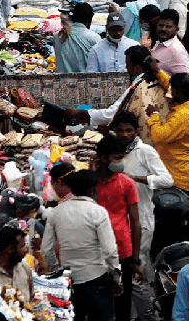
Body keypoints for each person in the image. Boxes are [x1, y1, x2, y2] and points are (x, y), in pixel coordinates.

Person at [108, 110, 171, 306]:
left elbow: (167, 180)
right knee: (136, 264)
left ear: (136, 131)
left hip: (142, 218)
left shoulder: (145, 152)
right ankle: (151, 304)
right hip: (121, 220)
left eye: (129, 130)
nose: (125, 134)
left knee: (137, 262)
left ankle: (144, 311)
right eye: (120, 130)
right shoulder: (115, 151)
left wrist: (135, 180)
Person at [42, 169, 122, 321]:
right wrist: (116, 278)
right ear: (92, 189)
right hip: (96, 278)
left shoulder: (55, 213)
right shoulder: (98, 212)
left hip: (68, 280)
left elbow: (46, 250)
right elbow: (110, 251)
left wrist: (56, 273)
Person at [91, 136, 142, 321]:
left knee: (122, 304)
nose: (121, 162)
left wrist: (136, 259)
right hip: (95, 252)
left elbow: (136, 222)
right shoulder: (90, 184)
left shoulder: (127, 184)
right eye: (117, 158)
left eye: (122, 157)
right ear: (103, 158)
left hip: (123, 251)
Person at [146, 72, 189, 194]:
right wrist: (157, 72)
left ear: (178, 92)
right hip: (184, 174)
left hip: (178, 180)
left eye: (172, 89)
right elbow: (171, 84)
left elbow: (159, 137)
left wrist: (154, 115)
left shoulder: (182, 116)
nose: (170, 91)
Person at [56, 2, 102, 73]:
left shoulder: (57, 36)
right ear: (89, 19)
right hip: (84, 82)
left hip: (60, 82)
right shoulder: (94, 38)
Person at [151, 9, 189, 75]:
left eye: (168, 27)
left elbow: (185, 82)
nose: (163, 29)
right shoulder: (159, 43)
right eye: (161, 25)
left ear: (176, 29)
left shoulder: (177, 50)